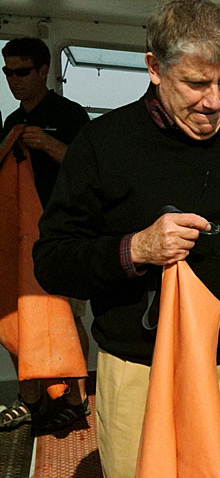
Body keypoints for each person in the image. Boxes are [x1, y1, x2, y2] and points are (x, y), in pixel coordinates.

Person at [33, 0, 220, 478]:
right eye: (195, 83)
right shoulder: (101, 143)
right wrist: (135, 249)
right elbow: (53, 260)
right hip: (144, 374)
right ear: (154, 68)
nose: (214, 100)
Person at [1, 37, 91, 432]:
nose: (14, 81)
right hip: (21, 238)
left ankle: (77, 399)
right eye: (8, 73)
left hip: (66, 235)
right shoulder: (10, 123)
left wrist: (49, 144)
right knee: (21, 316)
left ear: (43, 72)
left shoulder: (71, 115)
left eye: (22, 72)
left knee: (66, 317)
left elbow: (90, 170)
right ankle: (30, 399)